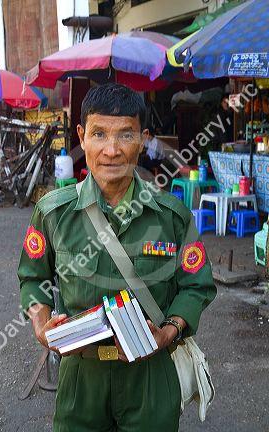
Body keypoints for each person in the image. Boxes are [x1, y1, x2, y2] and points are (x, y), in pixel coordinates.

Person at [18, 83, 216, 432]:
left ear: (142, 139)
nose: (111, 150)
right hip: (82, 377)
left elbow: (196, 285)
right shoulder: (52, 213)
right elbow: (33, 278)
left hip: (151, 372)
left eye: (125, 135)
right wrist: (41, 324)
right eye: (99, 134)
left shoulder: (171, 216)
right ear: (82, 137)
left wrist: (169, 332)